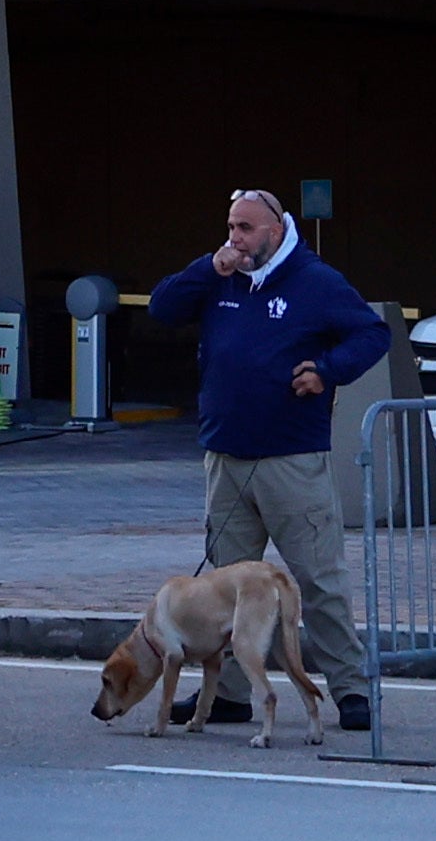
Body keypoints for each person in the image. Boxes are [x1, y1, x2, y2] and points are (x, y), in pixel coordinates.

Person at [146, 187, 389, 732]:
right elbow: (164, 307)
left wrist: (328, 370)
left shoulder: (314, 280)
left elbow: (372, 333)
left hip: (290, 458)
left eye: (246, 229)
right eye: (231, 226)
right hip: (226, 456)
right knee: (225, 588)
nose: (236, 238)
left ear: (276, 230)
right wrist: (210, 267)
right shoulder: (220, 276)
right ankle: (230, 692)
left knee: (317, 578)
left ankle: (350, 688)